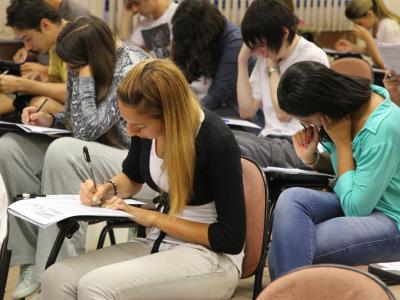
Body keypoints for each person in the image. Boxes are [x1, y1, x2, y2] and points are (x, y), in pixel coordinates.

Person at [40, 58, 246, 299]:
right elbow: (132, 177)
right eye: (127, 122)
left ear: (170, 117)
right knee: (56, 277)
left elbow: (229, 238)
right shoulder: (146, 127)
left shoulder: (216, 142)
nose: (130, 132)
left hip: (212, 258)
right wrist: (108, 189)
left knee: (96, 287)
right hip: (161, 242)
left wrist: (155, 218)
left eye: (139, 126)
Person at [0, 15, 149, 299]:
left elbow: (86, 130)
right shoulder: (84, 61)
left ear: (90, 58)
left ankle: (55, 269)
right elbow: (75, 117)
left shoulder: (131, 65)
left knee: (63, 151)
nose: (69, 69)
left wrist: (84, 74)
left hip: (133, 163)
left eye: (74, 65)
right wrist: (50, 119)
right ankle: (32, 260)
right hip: (93, 152)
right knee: (10, 148)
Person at [268, 60, 400, 280]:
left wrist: (342, 144)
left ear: (323, 103)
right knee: (291, 198)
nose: (307, 125)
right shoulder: (347, 107)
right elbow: (352, 173)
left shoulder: (382, 128)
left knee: (284, 252)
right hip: (358, 198)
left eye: (306, 119)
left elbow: (356, 208)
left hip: (391, 219)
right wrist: (312, 159)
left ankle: (288, 293)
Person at [235, 0, 329, 168]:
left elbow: (284, 114)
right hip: (269, 139)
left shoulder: (312, 58)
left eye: (261, 45)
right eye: (253, 47)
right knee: (219, 138)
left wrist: (272, 69)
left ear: (284, 33)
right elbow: (246, 110)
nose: (258, 52)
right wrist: (241, 61)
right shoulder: (267, 55)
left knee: (233, 148)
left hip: (298, 146)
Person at [171, 0, 255, 121]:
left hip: (239, 110)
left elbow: (218, 95)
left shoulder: (235, 43)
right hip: (222, 104)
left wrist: (182, 113)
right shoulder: (208, 33)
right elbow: (180, 68)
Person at [1, 0, 68, 118]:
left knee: (40, 106)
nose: (28, 47)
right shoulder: (55, 45)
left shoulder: (78, 41)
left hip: (95, 118)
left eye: (28, 38)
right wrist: (46, 79)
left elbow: (79, 94)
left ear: (45, 25)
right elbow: (63, 82)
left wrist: (22, 84)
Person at [335, 0, 400, 69]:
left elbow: (387, 66)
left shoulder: (389, 26)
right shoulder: (372, 26)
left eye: (359, 23)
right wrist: (352, 47)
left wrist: (368, 38)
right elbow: (374, 52)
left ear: (370, 14)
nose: (356, 27)